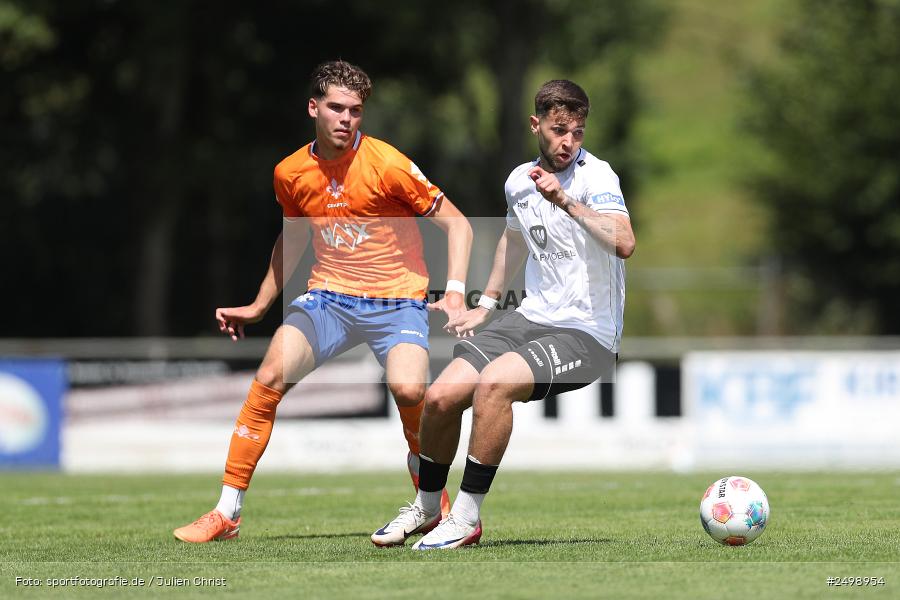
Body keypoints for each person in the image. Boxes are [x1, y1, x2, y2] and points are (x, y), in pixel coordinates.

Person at [174, 60, 472, 543]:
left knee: (410, 391)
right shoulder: (290, 173)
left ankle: (430, 498)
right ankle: (226, 511)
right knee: (269, 376)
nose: (345, 118)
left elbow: (458, 223)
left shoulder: (388, 165)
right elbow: (291, 240)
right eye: (335, 107)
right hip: (329, 299)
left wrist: (456, 292)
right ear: (314, 107)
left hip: (396, 300)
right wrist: (258, 306)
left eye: (355, 110)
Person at [370, 79, 635, 549]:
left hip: (588, 334)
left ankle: (467, 518)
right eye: (558, 131)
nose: (568, 143)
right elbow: (514, 239)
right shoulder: (519, 180)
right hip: (530, 317)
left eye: (577, 133)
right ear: (536, 125)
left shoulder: (599, 178)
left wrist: (567, 202)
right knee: (441, 396)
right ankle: (429, 508)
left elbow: (625, 242)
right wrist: (486, 305)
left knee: (494, 384)